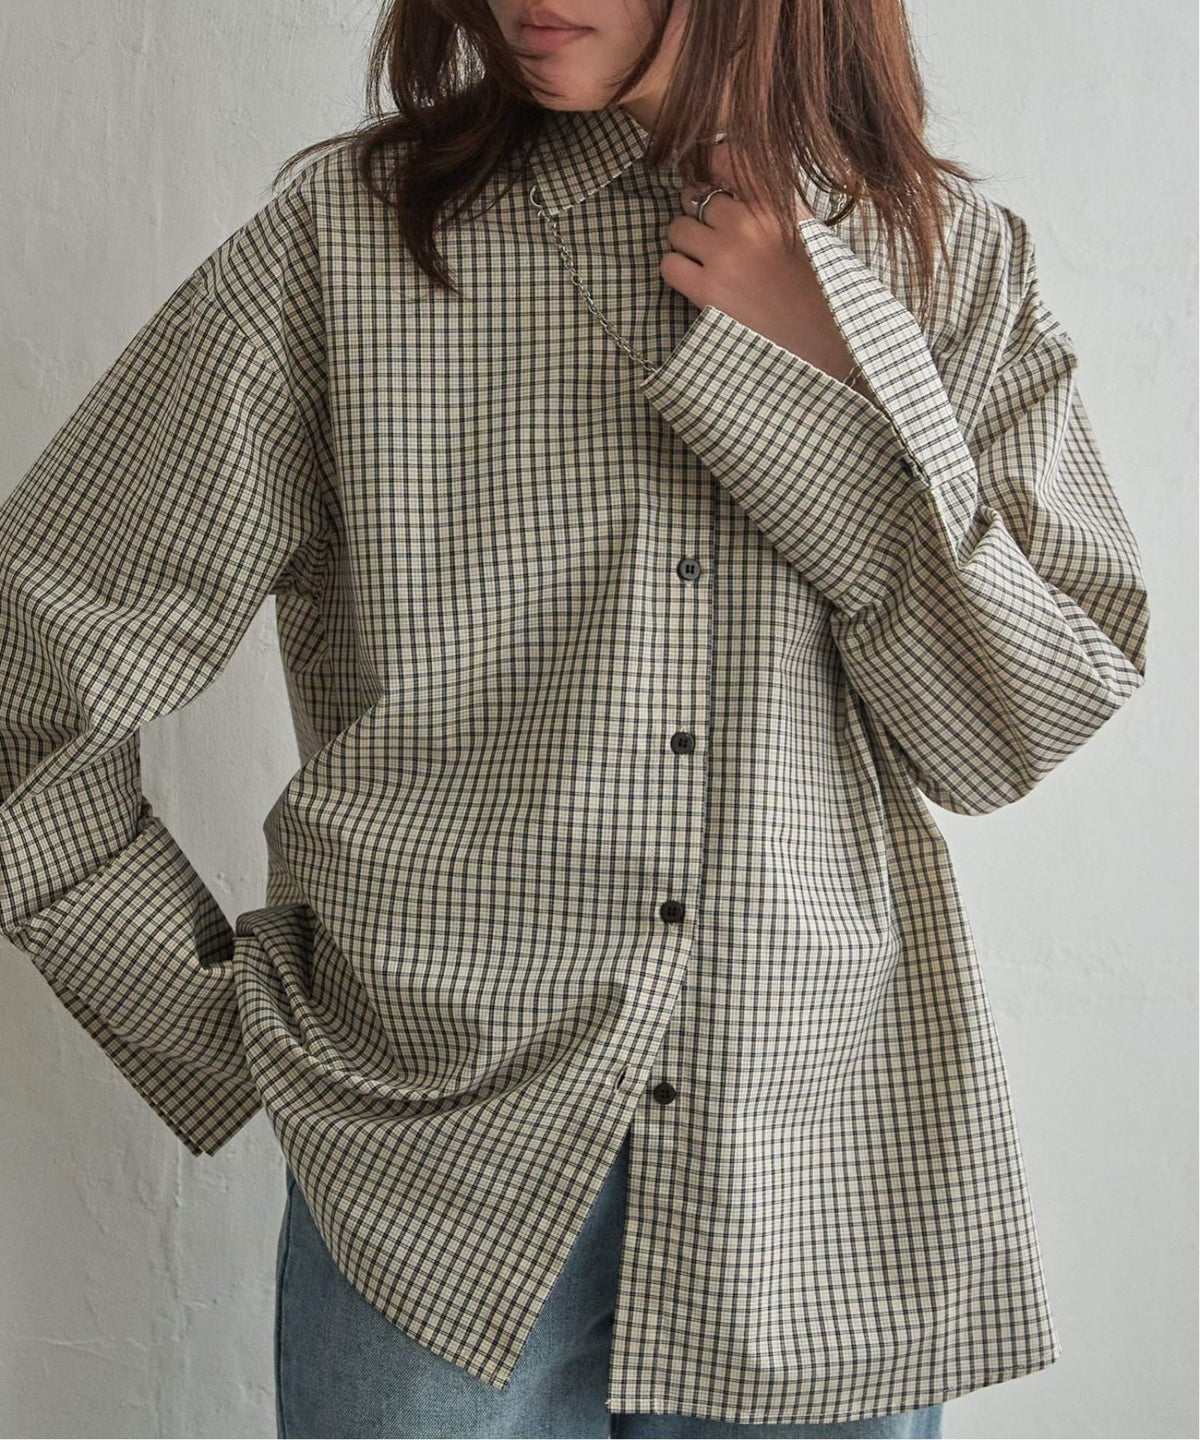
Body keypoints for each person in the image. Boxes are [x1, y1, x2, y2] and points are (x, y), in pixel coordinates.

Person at [0, 1, 1148, 1437]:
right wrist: (225, 1033)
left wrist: (834, 381)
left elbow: (1011, 729)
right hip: (430, 1191)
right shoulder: (349, 246)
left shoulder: (943, 264)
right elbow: (27, 668)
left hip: (810, 1185)